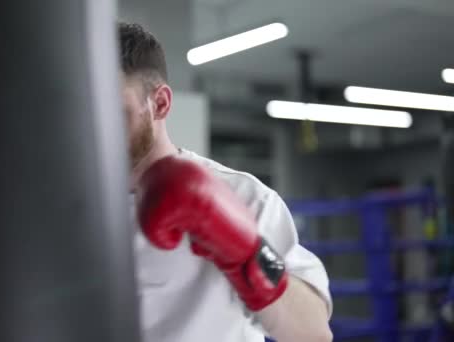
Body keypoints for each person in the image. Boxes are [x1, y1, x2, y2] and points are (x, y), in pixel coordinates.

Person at [119, 22, 333, 342]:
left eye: (113, 111)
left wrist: (246, 252)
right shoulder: (61, 208)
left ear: (159, 104)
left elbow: (312, 333)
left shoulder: (242, 196)